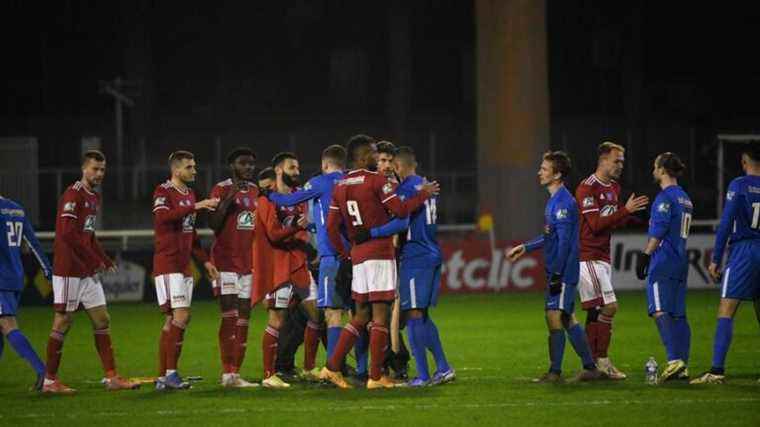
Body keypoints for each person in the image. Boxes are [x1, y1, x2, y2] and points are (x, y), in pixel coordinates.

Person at [320, 134, 438, 389]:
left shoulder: (340, 185)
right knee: (380, 315)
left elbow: (331, 227)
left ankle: (331, 368)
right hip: (380, 255)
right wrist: (422, 195)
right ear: (363, 157)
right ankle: (375, 376)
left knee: (360, 315)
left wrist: (345, 252)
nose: (379, 158)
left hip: (359, 255)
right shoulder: (376, 181)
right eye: (374, 153)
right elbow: (401, 210)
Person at [43, 150, 139, 393]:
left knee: (102, 318)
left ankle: (112, 377)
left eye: (102, 170)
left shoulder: (93, 197)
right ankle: (49, 381)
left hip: (86, 270)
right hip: (68, 269)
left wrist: (104, 259)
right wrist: (91, 259)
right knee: (63, 320)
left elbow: (88, 234)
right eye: (95, 169)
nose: (99, 174)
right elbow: (67, 234)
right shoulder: (73, 194)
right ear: (84, 168)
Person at [507, 151, 606, 383]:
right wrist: (526, 247)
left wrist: (558, 274)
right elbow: (551, 237)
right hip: (561, 271)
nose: (539, 172)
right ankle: (590, 367)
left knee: (553, 315)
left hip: (562, 272)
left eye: (544, 168)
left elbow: (563, 244)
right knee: (566, 318)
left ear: (557, 174)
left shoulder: (562, 203)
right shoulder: (555, 201)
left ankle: (555, 372)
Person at [364, 146, 454, 386]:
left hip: (416, 256)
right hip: (432, 252)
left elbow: (401, 223)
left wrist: (371, 232)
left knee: (413, 315)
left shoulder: (407, 189)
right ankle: (443, 367)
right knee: (422, 315)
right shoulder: (425, 186)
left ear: (399, 167)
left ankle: (423, 375)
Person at [267, 145, 349, 367]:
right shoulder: (352, 180)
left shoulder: (319, 183)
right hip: (352, 256)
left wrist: (268, 194)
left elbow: (288, 201)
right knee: (357, 316)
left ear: (324, 164)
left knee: (330, 314)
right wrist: (312, 228)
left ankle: (333, 368)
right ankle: (362, 368)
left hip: (329, 256)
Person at [575, 141, 649, 379]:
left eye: (622, 162)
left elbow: (615, 220)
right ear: (603, 160)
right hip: (588, 257)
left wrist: (640, 219)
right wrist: (625, 211)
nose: (620, 166)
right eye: (617, 161)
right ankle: (602, 361)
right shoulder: (587, 188)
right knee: (609, 306)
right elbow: (595, 225)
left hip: (603, 257)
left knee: (595, 313)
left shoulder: (614, 188)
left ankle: (592, 365)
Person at [691, 143, 760, 384]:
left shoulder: (739, 185)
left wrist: (715, 259)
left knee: (726, 309)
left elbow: (726, 223)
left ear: (744, 161)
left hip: (744, 252)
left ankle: (717, 370)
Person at [152, 150, 220, 390]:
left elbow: (190, 235)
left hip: (184, 265)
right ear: (176, 170)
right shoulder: (163, 191)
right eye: (190, 167)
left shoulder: (189, 194)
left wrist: (206, 262)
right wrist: (197, 206)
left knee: (173, 320)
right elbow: (163, 219)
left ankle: (164, 376)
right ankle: (170, 374)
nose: (194, 170)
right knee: (181, 316)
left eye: (194, 166)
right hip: (168, 263)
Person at [252, 152, 320, 388]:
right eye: (292, 168)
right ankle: (269, 374)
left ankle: (309, 369)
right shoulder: (266, 200)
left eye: (298, 167)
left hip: (299, 265)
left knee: (316, 315)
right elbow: (273, 234)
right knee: (277, 320)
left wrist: (310, 246)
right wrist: (293, 227)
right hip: (278, 267)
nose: (297, 172)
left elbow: (302, 228)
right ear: (279, 170)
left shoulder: (298, 198)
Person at [636, 153, 693, 382]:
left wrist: (645, 255)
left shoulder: (664, 198)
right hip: (680, 259)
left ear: (661, 170)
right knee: (678, 314)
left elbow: (658, 231)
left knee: (659, 309)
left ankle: (673, 360)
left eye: (654, 166)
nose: (653, 170)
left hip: (664, 260)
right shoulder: (685, 198)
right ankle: (683, 364)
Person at [208, 147, 258, 388]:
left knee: (244, 318)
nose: (248, 168)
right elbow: (213, 224)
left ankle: (235, 374)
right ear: (232, 166)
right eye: (243, 163)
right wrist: (230, 198)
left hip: (248, 264)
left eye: (251, 164)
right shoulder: (221, 188)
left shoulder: (256, 192)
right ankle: (227, 372)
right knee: (230, 315)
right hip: (225, 262)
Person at [0, 195, 52, 391]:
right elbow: (33, 242)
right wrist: (47, 269)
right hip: (15, 276)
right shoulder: (16, 209)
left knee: (7, 324)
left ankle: (42, 371)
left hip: (1, 279)